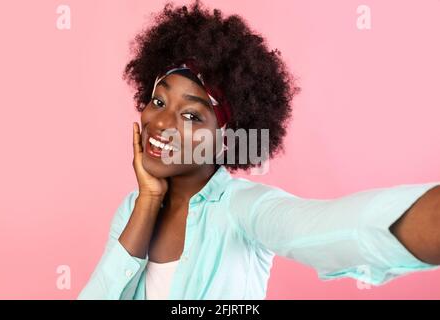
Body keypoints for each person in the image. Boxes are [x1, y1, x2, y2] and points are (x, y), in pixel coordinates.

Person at [78, 0, 440, 299]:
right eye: (158, 101)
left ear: (225, 137)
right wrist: (147, 201)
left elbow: (331, 228)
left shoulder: (243, 207)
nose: (160, 123)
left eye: (190, 115)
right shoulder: (131, 209)